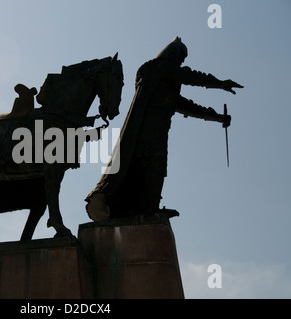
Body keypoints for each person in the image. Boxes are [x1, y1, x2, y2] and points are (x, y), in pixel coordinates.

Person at [85, 37, 243, 221]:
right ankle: (138, 208)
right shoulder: (154, 67)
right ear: (172, 52)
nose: (181, 61)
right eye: (181, 56)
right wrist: (220, 83)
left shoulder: (168, 81)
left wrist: (217, 117)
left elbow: (186, 106)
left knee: (156, 167)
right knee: (149, 164)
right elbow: (190, 76)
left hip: (158, 132)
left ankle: (147, 208)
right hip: (142, 130)